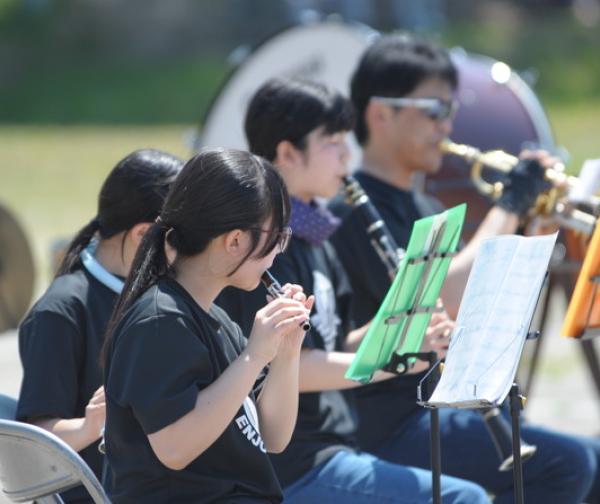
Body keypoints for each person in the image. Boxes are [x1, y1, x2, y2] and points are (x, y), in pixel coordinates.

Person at [328, 32, 600, 503]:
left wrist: (533, 225)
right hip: (386, 422)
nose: (447, 125)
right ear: (380, 113)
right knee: (568, 465)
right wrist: (511, 204)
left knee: (590, 460)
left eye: (450, 111)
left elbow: (481, 309)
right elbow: (444, 296)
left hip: (435, 404)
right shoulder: (354, 211)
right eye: (433, 110)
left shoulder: (424, 202)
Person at [217, 77, 490, 503]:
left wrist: (404, 329)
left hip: (334, 445)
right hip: (292, 463)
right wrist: (396, 363)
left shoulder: (314, 233)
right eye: (333, 141)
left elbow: (337, 341)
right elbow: (289, 364)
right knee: (463, 499)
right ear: (288, 153)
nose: (348, 154)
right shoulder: (265, 247)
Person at [101, 148, 312, 503]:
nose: (279, 253)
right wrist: (254, 355)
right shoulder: (160, 320)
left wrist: (286, 352)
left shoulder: (214, 317)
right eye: (277, 238)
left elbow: (273, 437)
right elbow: (174, 448)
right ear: (234, 241)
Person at [16, 148, 183, 503]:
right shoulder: (61, 311)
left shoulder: (163, 294)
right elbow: (35, 440)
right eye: (183, 239)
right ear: (144, 235)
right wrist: (90, 425)